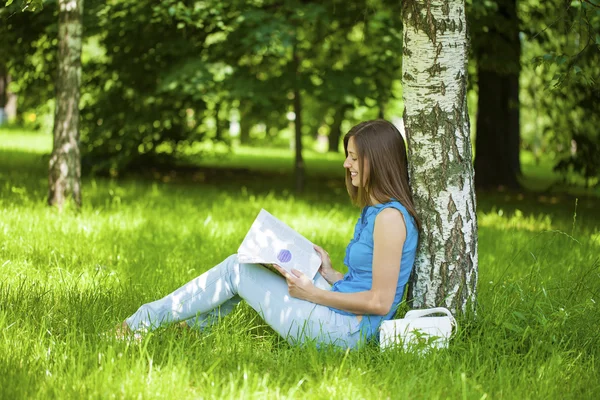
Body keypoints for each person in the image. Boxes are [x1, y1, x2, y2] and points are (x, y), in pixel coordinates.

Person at [118, 119, 420, 349]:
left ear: (377, 161)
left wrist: (312, 293)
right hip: (342, 313)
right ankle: (189, 331)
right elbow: (365, 283)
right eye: (348, 156)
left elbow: (380, 302)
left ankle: (139, 324)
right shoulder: (376, 211)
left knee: (238, 267)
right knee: (258, 262)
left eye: (354, 157)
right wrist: (328, 272)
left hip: (345, 333)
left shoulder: (391, 219)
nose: (346, 164)